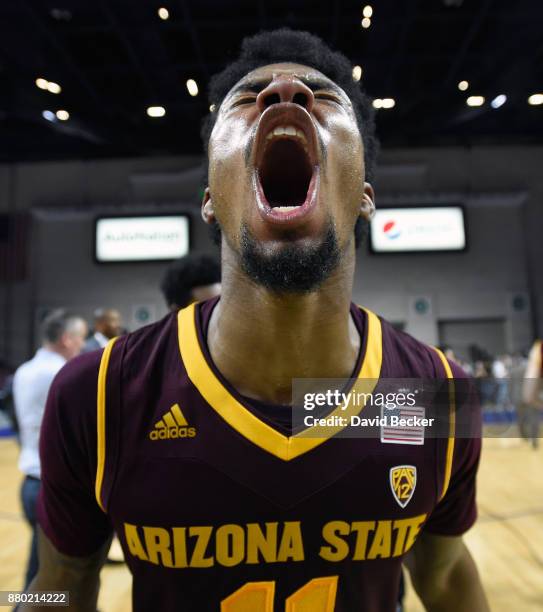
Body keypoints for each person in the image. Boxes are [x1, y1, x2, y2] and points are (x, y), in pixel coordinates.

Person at [25, 29, 488, 612]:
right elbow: (54, 584)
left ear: (366, 194)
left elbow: (444, 574)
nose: (286, 92)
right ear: (210, 198)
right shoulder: (94, 394)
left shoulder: (432, 395)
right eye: (246, 100)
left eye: (324, 94)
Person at [12, 309, 87, 589]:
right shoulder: (62, 372)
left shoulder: (24, 370)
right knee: (45, 579)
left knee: (48, 575)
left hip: (31, 481)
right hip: (52, 488)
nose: (82, 345)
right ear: (67, 339)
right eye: (81, 338)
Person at [522, 340, 542, 448]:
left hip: (530, 398)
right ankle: (533, 438)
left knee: (530, 418)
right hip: (534, 398)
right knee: (534, 418)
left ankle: (532, 437)